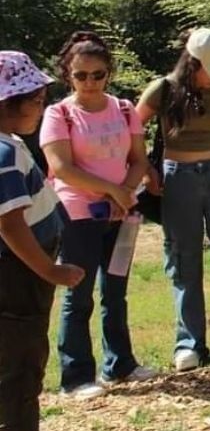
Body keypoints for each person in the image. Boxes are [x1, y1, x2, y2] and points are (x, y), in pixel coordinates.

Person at [135, 28, 210, 371]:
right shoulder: (163, 89)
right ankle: (189, 343)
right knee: (183, 259)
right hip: (178, 179)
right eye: (209, 70)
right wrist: (146, 168)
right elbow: (133, 125)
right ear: (192, 63)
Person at [40, 33, 154, 399]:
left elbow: (139, 159)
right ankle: (75, 376)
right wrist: (113, 190)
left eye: (98, 74)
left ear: (109, 73)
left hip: (121, 212)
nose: (90, 82)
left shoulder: (123, 109)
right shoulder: (58, 114)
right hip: (78, 212)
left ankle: (120, 362)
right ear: (68, 76)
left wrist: (126, 193)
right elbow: (62, 167)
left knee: (116, 290)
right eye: (81, 75)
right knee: (80, 292)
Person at [0, 51, 85, 431]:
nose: (41, 107)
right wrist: (50, 270)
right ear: (8, 103)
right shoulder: (3, 153)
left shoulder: (10, 145)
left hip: (22, 272)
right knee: (21, 369)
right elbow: (10, 224)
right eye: (35, 99)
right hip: (20, 276)